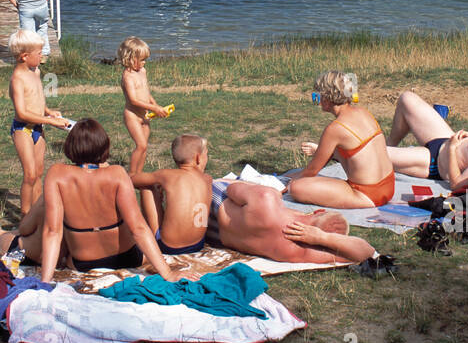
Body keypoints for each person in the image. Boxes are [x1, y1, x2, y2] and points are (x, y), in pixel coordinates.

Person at [39, 118, 186, 281]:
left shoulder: (57, 174)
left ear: (70, 145)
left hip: (83, 262)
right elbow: (138, 228)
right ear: (104, 145)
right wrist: (167, 273)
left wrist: (45, 281)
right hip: (126, 257)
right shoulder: (116, 174)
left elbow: (52, 231)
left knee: (58, 227)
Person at [286, 71, 395, 209]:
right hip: (389, 186)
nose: (318, 101)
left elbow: (311, 171)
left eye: (318, 96)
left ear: (327, 97)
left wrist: (285, 181)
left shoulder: (335, 129)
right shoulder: (364, 112)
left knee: (296, 187)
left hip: (366, 194)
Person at [209, 181, 377, 264]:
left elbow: (231, 189)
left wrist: (271, 191)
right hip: (215, 237)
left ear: (318, 211)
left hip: (211, 208)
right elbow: (368, 252)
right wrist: (323, 239)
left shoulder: (267, 200)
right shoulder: (300, 251)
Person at [7, 28, 71, 215]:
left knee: (39, 172)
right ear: (25, 56)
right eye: (38, 53)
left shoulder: (35, 71)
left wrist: (49, 112)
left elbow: (37, 98)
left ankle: (36, 211)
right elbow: (21, 113)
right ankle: (26, 216)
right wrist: (50, 122)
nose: (42, 55)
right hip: (23, 130)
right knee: (29, 174)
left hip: (38, 127)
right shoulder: (17, 79)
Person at [131, 134, 212, 256]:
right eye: (206, 155)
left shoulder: (167, 175)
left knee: (147, 185)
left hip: (168, 247)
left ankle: (152, 236)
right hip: (198, 244)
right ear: (198, 158)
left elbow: (133, 180)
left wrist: (157, 184)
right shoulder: (207, 179)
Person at [118, 36, 169, 176]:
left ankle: (138, 174)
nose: (144, 62)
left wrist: (155, 105)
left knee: (144, 147)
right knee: (141, 146)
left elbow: (146, 92)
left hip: (144, 115)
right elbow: (133, 100)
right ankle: (131, 175)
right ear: (130, 58)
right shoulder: (127, 77)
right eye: (141, 60)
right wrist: (154, 108)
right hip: (133, 116)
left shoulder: (143, 71)